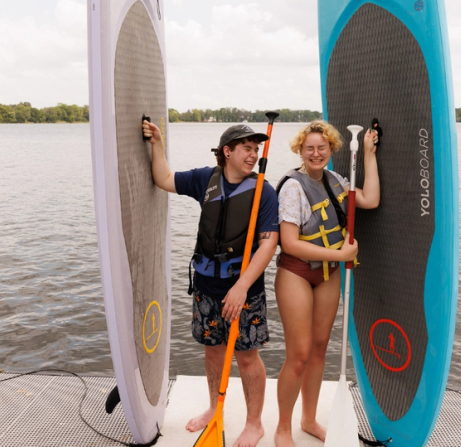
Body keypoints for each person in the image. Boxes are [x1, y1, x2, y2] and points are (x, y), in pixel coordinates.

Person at [143, 121, 279, 447]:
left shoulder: (264, 190)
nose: (253, 154)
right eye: (246, 147)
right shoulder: (206, 179)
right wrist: (157, 144)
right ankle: (214, 407)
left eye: (256, 148)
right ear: (227, 151)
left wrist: (243, 286)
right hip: (206, 284)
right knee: (213, 352)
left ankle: (254, 423)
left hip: (243, 288)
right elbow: (163, 178)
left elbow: (268, 243)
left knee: (247, 357)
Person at [272, 120, 379, 447]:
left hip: (329, 273)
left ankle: (308, 419)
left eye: (322, 148)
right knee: (299, 354)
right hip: (297, 273)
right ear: (300, 151)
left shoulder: (337, 180)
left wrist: (370, 156)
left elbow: (371, 200)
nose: (316, 153)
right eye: (309, 149)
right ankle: (283, 428)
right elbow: (289, 243)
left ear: (332, 149)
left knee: (319, 349)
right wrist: (340, 253)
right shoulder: (292, 187)